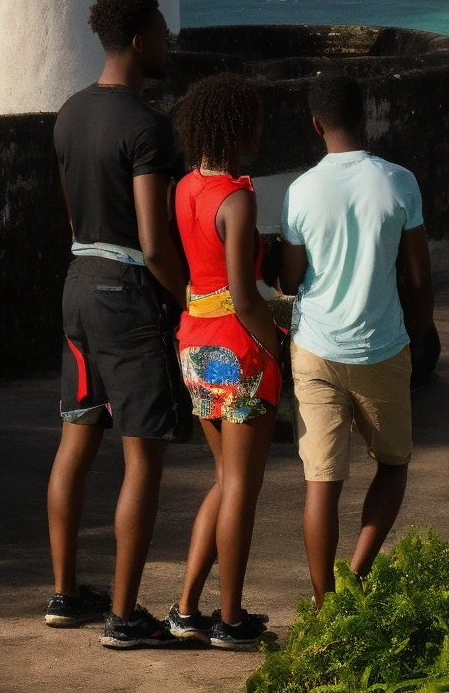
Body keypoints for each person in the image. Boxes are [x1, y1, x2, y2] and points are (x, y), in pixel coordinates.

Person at [45, 0, 186, 651]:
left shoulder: (69, 115)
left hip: (77, 282)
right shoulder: (148, 127)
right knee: (143, 457)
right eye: (160, 31)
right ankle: (125, 616)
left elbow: (76, 218)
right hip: (127, 294)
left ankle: (65, 592)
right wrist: (188, 297)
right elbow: (155, 243)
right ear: (136, 40)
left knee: (76, 438)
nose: (167, 40)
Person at [278, 73, 434, 606]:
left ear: (316, 124)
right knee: (393, 464)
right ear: (364, 116)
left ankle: (324, 604)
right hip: (383, 347)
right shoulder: (398, 182)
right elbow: (418, 277)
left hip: (316, 349)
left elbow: (291, 281)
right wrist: (419, 335)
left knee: (321, 482)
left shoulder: (300, 191)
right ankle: (357, 578)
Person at [165, 71, 284, 654]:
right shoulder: (238, 199)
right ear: (236, 126)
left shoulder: (185, 188)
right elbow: (244, 295)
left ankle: (187, 608)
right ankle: (230, 618)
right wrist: (279, 341)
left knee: (223, 480)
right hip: (238, 350)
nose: (262, 125)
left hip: (193, 344)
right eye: (254, 116)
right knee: (241, 485)